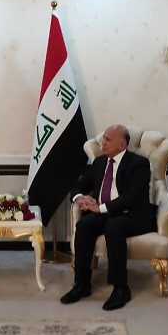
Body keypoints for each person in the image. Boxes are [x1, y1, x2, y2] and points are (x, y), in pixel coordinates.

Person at [60, 124, 157, 311]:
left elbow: (133, 197)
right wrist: (80, 197)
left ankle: (121, 288)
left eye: (107, 140)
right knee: (84, 226)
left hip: (133, 215)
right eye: (103, 138)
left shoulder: (138, 164)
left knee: (114, 226)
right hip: (105, 213)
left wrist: (101, 207)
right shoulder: (99, 163)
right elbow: (77, 186)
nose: (102, 143)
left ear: (122, 144)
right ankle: (82, 284)